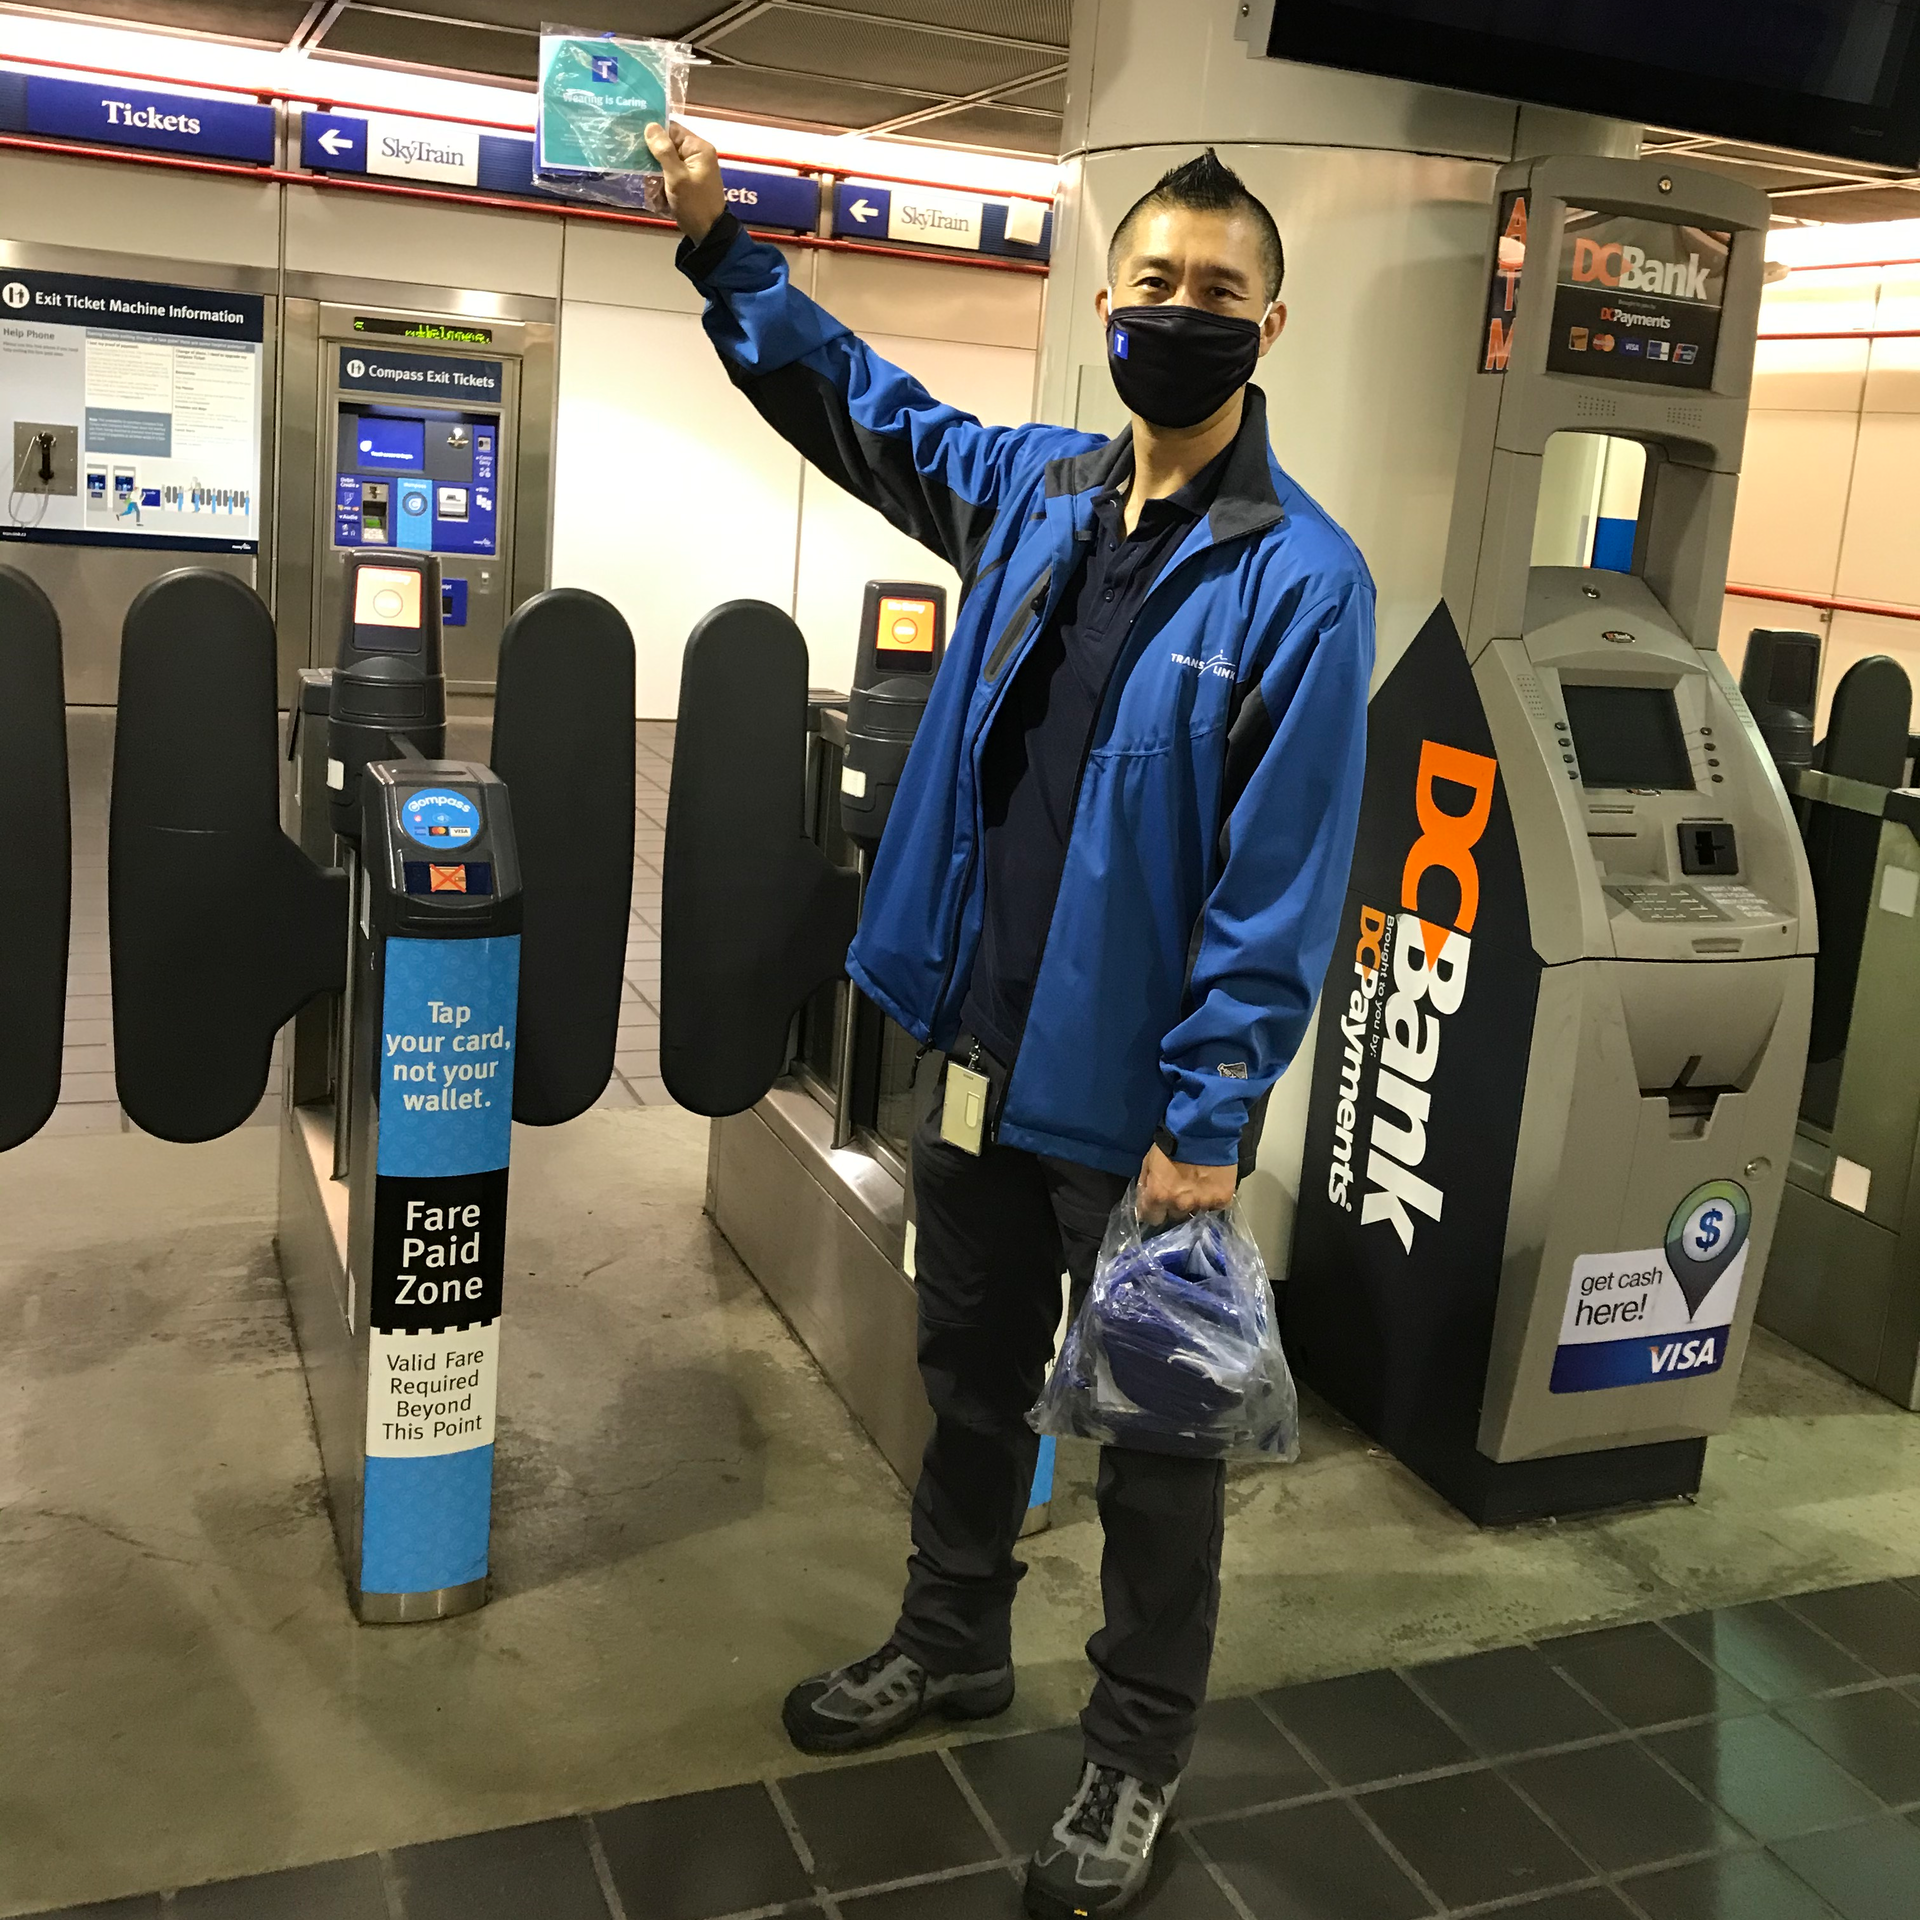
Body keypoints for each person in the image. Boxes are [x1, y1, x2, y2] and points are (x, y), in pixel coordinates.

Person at [647, 120, 1373, 1919]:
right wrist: (727, 245)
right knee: (970, 1384)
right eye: (1151, 286)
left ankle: (1132, 1758)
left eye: (1216, 293)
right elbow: (860, 404)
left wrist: (1208, 1122)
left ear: (1268, 325)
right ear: (1105, 305)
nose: (1177, 314)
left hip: (1137, 1117)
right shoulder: (1037, 492)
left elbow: (1276, 893)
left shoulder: (1302, 581)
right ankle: (952, 1640)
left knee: (1156, 1443)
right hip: (977, 1058)